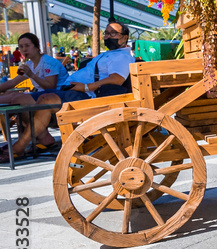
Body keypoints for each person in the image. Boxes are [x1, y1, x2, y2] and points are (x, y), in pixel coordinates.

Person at [1, 22, 135, 161]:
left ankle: (20, 146)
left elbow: (117, 79)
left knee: (45, 100)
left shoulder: (122, 57)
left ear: (124, 38)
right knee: (20, 99)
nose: (108, 36)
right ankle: (43, 138)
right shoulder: (109, 54)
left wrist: (87, 87)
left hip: (88, 96)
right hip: (73, 91)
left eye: (113, 33)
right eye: (106, 33)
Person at [0, 33, 70, 150]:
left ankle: (41, 139)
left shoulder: (48, 62)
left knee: (17, 98)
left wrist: (31, 74)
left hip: (57, 96)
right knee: (11, 95)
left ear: (37, 47)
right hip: (42, 95)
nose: (24, 49)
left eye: (27, 45)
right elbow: (11, 83)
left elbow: (50, 86)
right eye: (21, 46)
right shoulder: (30, 64)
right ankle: (44, 138)